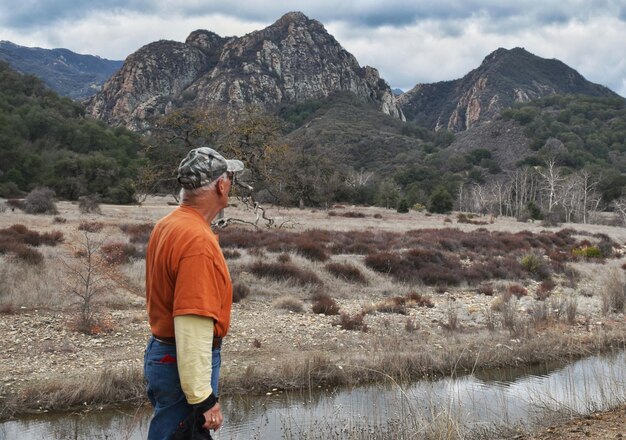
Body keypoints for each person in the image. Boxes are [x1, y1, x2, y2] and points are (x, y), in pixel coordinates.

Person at [144, 147, 244, 440]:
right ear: (221, 186)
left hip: (164, 355)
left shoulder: (168, 224)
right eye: (230, 181)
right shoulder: (197, 241)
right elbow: (192, 323)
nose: (230, 187)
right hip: (180, 363)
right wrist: (203, 398)